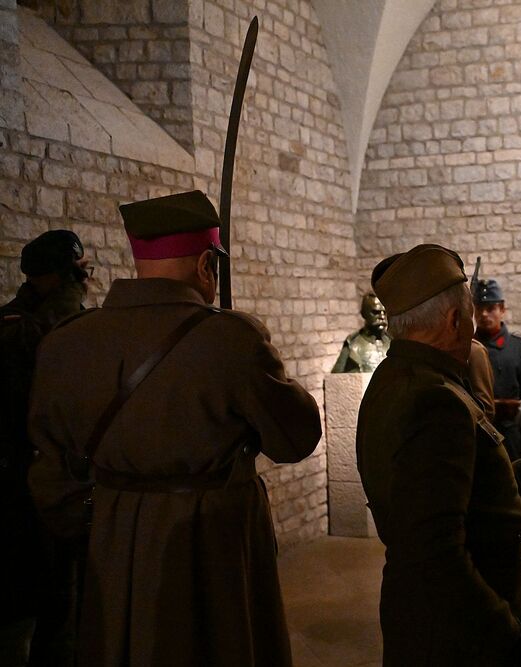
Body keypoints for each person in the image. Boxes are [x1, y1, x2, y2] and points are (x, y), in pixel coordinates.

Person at [27, 190, 322, 667]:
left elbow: (49, 468)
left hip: (112, 543)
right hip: (213, 547)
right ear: (206, 265)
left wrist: (110, 518)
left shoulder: (65, 342)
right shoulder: (231, 339)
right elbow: (295, 439)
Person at [356, 244, 521, 666]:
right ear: (455, 320)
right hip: (459, 638)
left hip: (435, 622)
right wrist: (517, 641)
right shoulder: (435, 400)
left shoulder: (397, 377)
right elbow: (437, 558)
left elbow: (467, 494)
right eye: (471, 312)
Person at [1, 230, 89, 667]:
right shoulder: (21, 328)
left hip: (53, 484)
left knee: (59, 605)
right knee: (34, 609)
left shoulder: (60, 322)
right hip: (23, 487)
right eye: (75, 273)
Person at [473, 278, 521, 460]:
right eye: (479, 309)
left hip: (510, 440)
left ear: (502, 310)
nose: (484, 314)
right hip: (475, 440)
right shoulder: (466, 349)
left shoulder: (520, 349)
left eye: (490, 308)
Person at [332, 291, 391, 372]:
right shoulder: (352, 343)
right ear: (364, 313)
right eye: (376, 312)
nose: (382, 317)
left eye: (384, 313)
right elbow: (336, 377)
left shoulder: (392, 343)